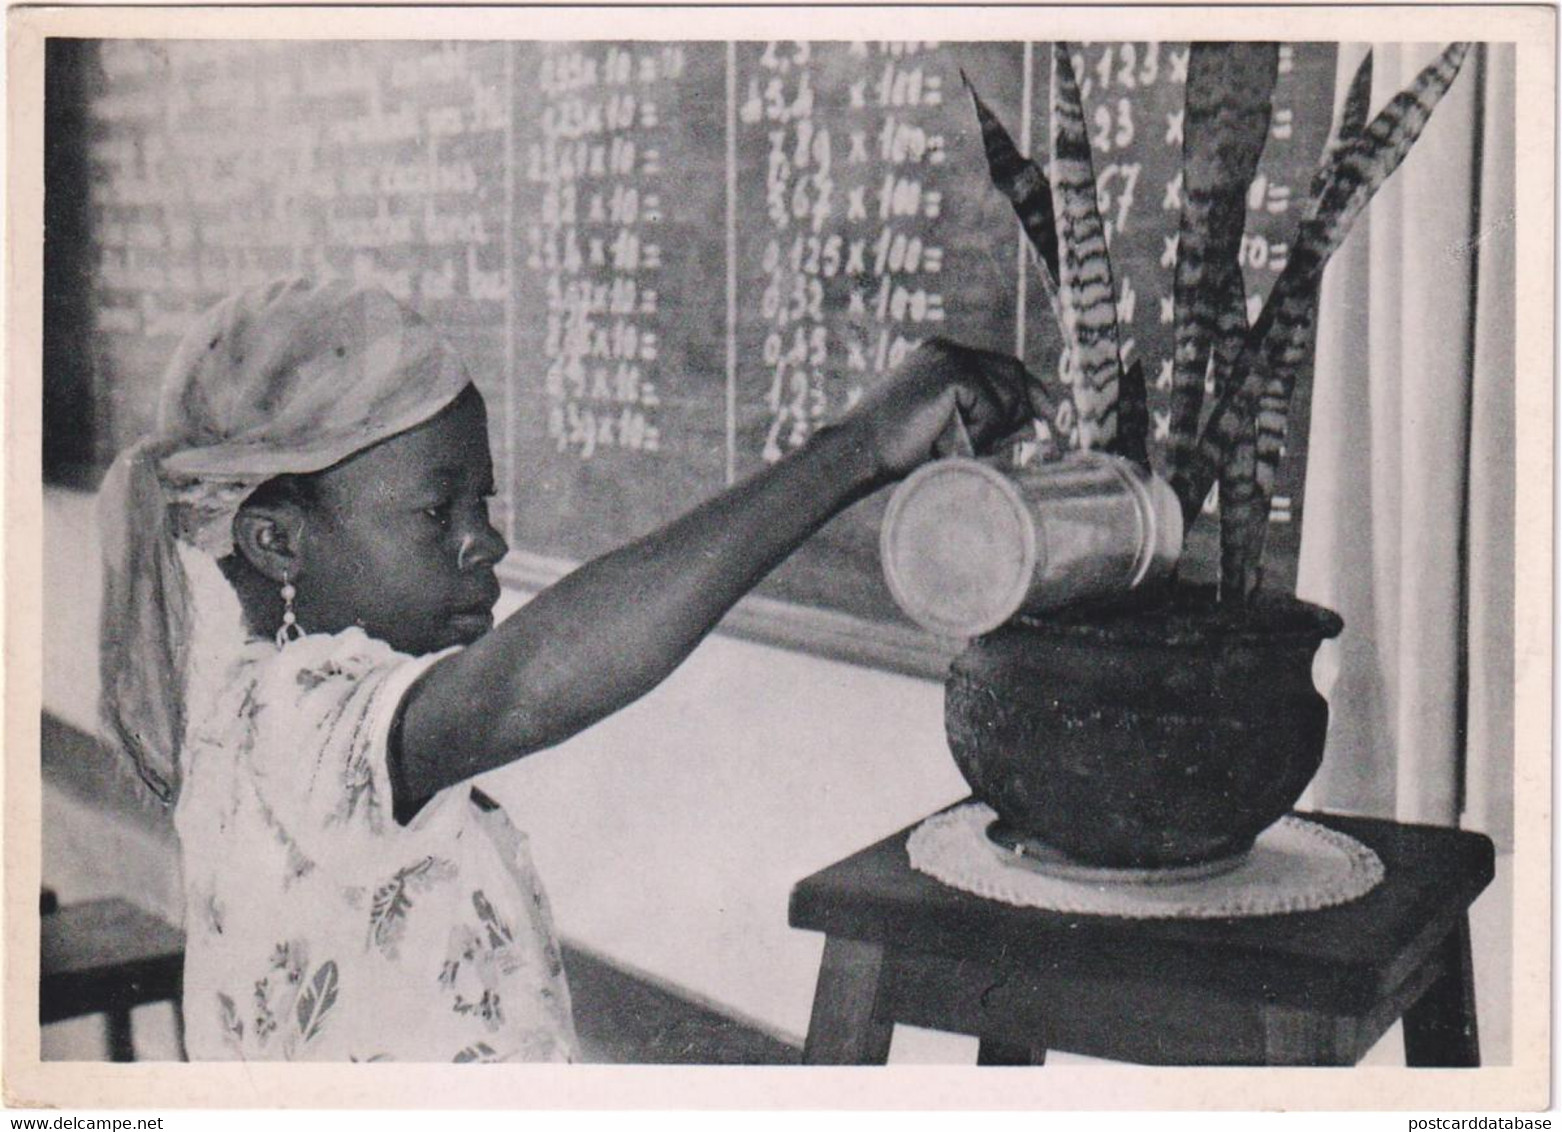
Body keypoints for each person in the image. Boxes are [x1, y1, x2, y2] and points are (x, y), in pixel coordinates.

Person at [98, 277, 1047, 1062]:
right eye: (439, 511)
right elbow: (526, 679)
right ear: (277, 543)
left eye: (485, 499)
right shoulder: (296, 718)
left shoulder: (247, 708)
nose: (488, 539)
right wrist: (858, 449)